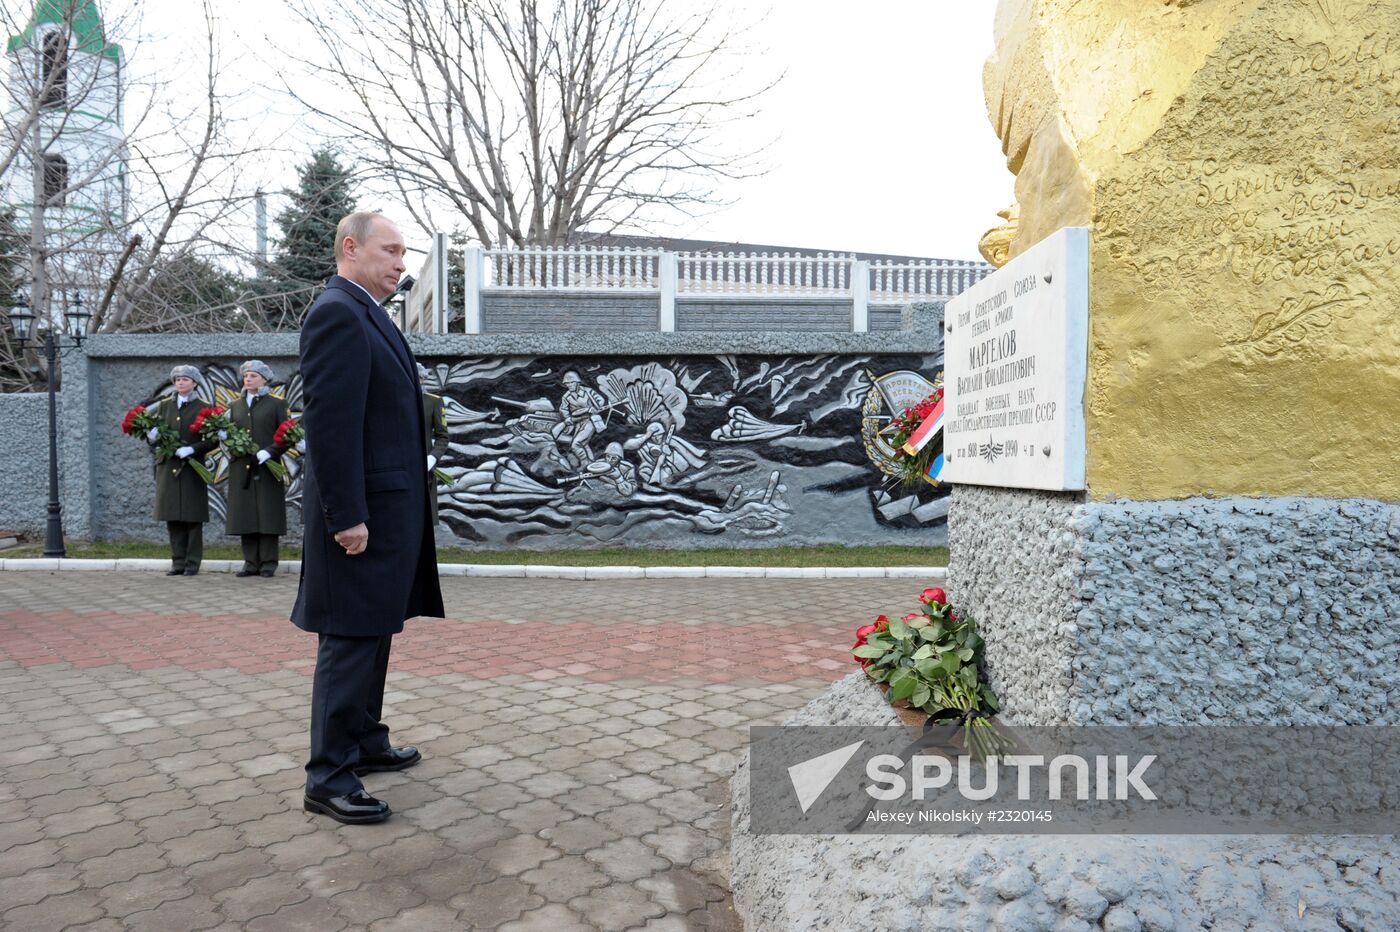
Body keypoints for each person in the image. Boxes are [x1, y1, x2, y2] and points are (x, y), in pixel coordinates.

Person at [291, 211, 444, 825]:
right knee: (351, 639)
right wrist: (346, 516)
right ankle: (328, 776)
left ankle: (364, 740)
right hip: (359, 520)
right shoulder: (336, 313)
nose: (401, 264)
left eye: (404, 254)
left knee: (376, 628)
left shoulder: (366, 313)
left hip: (387, 512)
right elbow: (329, 427)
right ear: (350, 248)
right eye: (391, 251)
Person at [226, 360, 290, 578]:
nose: (248, 379)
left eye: (253, 375)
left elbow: (287, 434)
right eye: (246, 376)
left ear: (264, 379)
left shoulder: (276, 404)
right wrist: (227, 439)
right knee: (246, 515)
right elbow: (231, 432)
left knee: (268, 514)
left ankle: (269, 563)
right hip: (242, 467)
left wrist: (270, 452)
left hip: (266, 468)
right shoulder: (236, 405)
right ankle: (250, 562)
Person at [151, 365, 216, 576]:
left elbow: (212, 439)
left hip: (192, 469)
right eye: (177, 379)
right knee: (173, 517)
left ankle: (192, 563)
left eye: (185, 379)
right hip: (169, 467)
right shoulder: (164, 406)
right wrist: (152, 437)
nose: (180, 382)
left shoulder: (204, 407)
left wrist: (193, 449)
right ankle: (177, 562)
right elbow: (158, 433)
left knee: (192, 518)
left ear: (194, 383)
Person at [549, 370, 606, 468]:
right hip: (577, 423)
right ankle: (591, 463)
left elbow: (600, 400)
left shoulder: (588, 392)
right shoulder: (566, 397)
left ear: (577, 382)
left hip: (590, 421)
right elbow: (563, 409)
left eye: (571, 383)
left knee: (576, 444)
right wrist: (567, 419)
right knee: (583, 444)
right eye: (567, 383)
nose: (569, 385)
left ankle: (585, 464)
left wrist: (594, 407)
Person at [419, 363, 450, 525]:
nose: (420, 381)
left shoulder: (434, 402)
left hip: (425, 468)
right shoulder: (396, 402)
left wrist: (431, 458)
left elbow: (443, 437)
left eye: (421, 378)